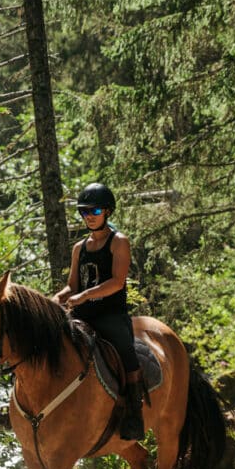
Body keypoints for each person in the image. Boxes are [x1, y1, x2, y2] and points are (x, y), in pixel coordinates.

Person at [53, 182, 145, 440]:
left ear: (107, 212)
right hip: (82, 316)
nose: (88, 217)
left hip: (110, 316)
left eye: (94, 212)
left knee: (126, 352)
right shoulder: (78, 248)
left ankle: (134, 414)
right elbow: (71, 285)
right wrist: (55, 300)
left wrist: (85, 295)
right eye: (84, 212)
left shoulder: (119, 242)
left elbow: (117, 282)